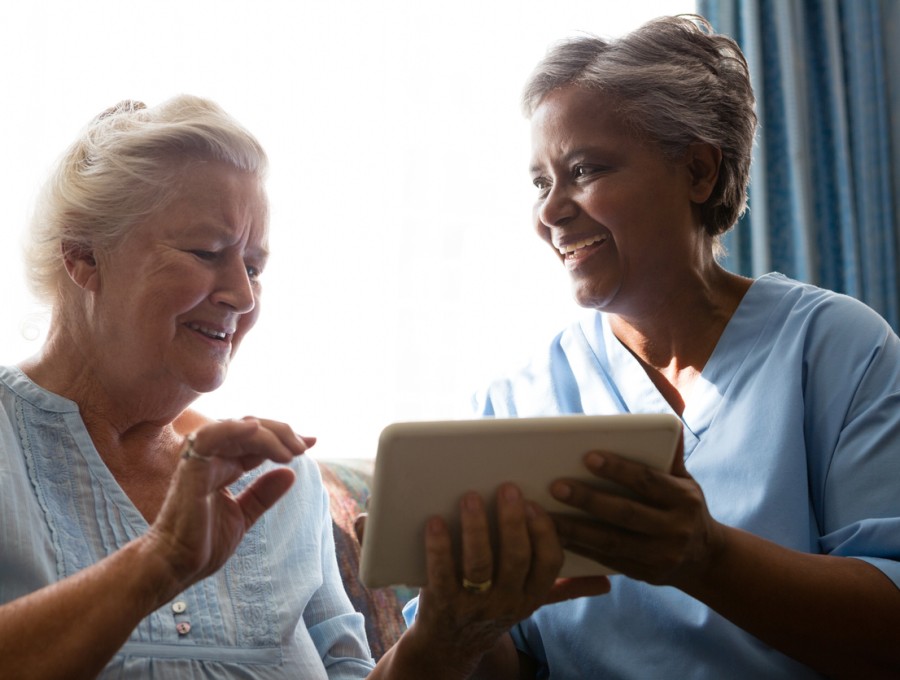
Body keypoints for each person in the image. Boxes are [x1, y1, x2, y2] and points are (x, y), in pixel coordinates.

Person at [0, 96, 608, 679]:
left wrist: (445, 638)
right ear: (83, 257)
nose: (242, 295)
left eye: (254, 267)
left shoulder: (277, 485)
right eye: (207, 251)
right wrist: (158, 563)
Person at [402, 14, 900, 679]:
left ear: (697, 170)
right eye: (540, 182)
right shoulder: (515, 401)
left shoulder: (834, 346)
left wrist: (706, 558)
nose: (551, 211)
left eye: (584, 169)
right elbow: (513, 663)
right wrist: (460, 625)